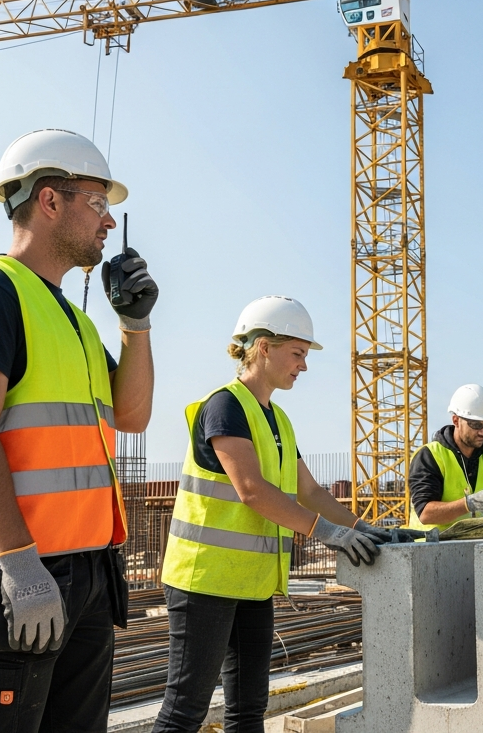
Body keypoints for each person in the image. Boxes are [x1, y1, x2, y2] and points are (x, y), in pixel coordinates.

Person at [0, 128, 158, 732]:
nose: (110, 224)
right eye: (98, 203)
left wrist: (135, 326)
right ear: (50, 200)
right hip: (7, 573)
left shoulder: (72, 321)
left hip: (82, 572)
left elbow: (130, 415)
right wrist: (20, 563)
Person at [152, 296, 388, 733]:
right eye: (297, 353)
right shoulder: (225, 406)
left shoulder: (278, 419)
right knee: (185, 710)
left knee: (247, 710)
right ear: (264, 346)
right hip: (204, 582)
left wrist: (363, 528)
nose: (303, 365)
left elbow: (311, 491)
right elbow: (252, 490)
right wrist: (327, 533)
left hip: (252, 585)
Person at [405, 384, 483, 531]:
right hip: (431, 549)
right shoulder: (430, 456)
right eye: (476, 425)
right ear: (456, 421)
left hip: (476, 547)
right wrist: (468, 504)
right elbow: (425, 513)